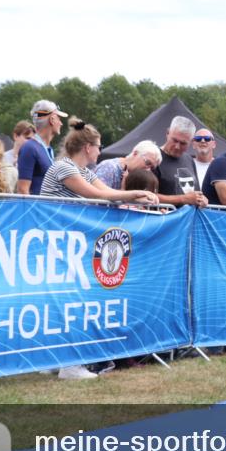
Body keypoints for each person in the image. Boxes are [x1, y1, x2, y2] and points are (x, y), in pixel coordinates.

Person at [39, 121, 158, 380]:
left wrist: (138, 194)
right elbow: (97, 195)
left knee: (67, 301)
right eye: (99, 146)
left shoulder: (83, 169)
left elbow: (110, 192)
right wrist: (137, 194)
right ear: (87, 147)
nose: (100, 151)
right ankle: (70, 366)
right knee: (70, 301)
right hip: (57, 243)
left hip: (69, 244)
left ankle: (57, 360)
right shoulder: (64, 168)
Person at [155, 116, 209, 208]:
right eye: (174, 140)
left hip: (188, 220)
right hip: (164, 220)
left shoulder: (189, 159)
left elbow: (196, 193)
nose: (177, 146)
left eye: (183, 143)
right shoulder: (154, 157)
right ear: (167, 133)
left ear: (191, 142)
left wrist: (203, 199)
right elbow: (146, 195)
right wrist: (182, 199)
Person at [17, 100, 65, 195]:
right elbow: (23, 190)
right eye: (59, 118)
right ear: (52, 119)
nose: (61, 123)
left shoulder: (46, 148)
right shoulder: (29, 148)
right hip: (37, 209)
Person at [94, 141, 162, 190]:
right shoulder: (109, 167)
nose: (148, 169)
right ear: (135, 153)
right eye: (148, 163)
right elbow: (96, 198)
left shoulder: (136, 177)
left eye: (152, 168)